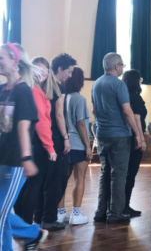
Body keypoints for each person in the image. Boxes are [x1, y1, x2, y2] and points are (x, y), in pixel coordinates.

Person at [0, 43, 48, 250]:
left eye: (1, 57)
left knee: (1, 214)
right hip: (1, 159)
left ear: (15, 62)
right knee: (2, 214)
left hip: (16, 162)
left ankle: (30, 235)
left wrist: (27, 159)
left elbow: (23, 127)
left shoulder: (24, 91)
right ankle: (32, 234)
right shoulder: (2, 90)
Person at [92, 53, 146, 224]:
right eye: (122, 65)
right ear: (116, 66)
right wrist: (137, 134)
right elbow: (127, 111)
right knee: (119, 175)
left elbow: (94, 111)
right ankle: (115, 213)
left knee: (104, 173)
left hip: (102, 133)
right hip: (119, 135)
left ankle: (101, 212)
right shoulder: (118, 84)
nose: (122, 68)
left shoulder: (96, 84)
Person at [13, 57, 59, 225]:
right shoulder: (34, 91)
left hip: (29, 143)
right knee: (33, 187)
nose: (41, 73)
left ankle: (23, 225)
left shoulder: (30, 89)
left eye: (44, 70)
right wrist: (50, 148)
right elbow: (41, 122)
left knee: (26, 187)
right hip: (37, 144)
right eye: (37, 69)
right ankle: (25, 227)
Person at [34, 53, 76, 231]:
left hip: (38, 139)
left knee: (42, 180)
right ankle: (49, 218)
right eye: (69, 71)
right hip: (54, 139)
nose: (70, 75)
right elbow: (59, 116)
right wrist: (66, 139)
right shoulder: (58, 89)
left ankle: (39, 217)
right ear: (59, 70)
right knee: (57, 180)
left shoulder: (37, 88)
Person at [62, 67, 92, 225]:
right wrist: (88, 146)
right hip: (78, 144)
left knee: (62, 180)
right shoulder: (79, 99)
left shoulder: (63, 97)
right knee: (79, 179)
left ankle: (60, 213)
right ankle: (76, 214)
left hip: (65, 143)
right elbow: (81, 124)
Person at [122, 70, 147, 216]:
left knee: (124, 174)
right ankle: (125, 205)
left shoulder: (124, 97)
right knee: (130, 174)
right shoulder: (136, 98)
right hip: (134, 139)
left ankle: (121, 204)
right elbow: (137, 120)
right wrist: (141, 139)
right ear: (136, 81)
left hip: (125, 138)